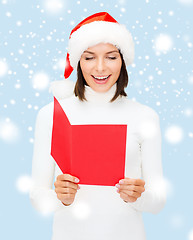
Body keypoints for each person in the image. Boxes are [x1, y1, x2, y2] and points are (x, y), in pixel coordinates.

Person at [30, 12, 166, 240]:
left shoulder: (144, 116)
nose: (100, 68)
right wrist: (59, 197)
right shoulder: (52, 115)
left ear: (123, 61)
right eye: (89, 57)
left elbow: (158, 202)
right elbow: (37, 198)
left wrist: (137, 196)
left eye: (111, 57)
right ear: (78, 62)